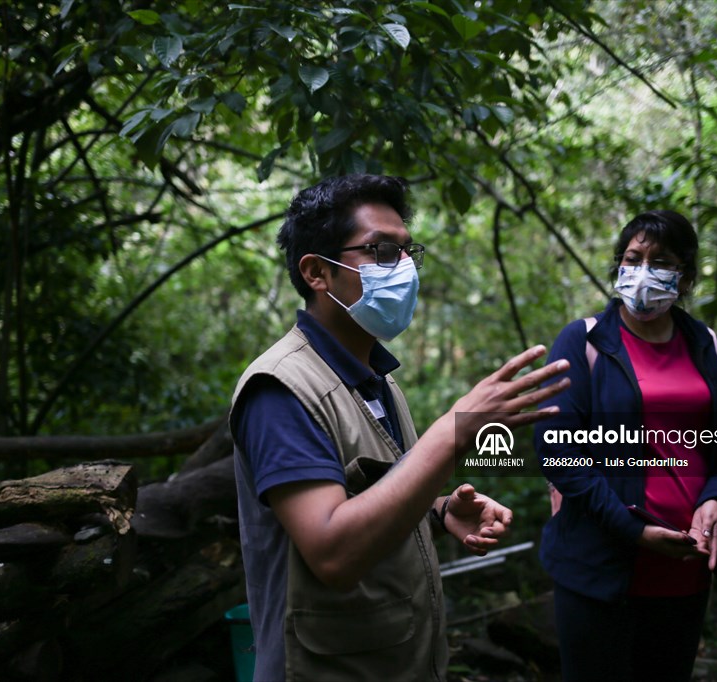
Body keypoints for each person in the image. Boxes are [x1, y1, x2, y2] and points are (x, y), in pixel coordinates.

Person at [230, 174, 571, 681]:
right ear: (318, 272)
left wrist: (436, 512)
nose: (404, 267)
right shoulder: (280, 388)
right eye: (382, 251)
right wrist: (454, 432)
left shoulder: (377, 383)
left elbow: (369, 496)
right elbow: (332, 552)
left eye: (409, 251)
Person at [534, 210, 717, 681]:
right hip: (600, 571)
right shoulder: (584, 341)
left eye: (660, 260)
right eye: (633, 258)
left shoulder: (704, 343)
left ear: (685, 274)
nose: (642, 271)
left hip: (686, 572)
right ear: (618, 266)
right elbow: (557, 450)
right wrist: (632, 529)